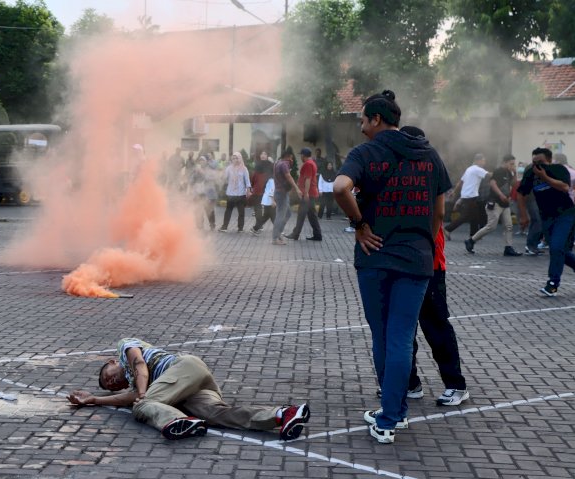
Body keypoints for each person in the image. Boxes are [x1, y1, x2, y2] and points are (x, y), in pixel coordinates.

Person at [333, 90, 451, 444]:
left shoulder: (365, 153)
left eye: (363, 120)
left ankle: (390, 417)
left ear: (377, 120)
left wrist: (360, 226)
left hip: (376, 256)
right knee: (401, 336)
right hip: (416, 258)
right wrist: (424, 244)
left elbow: (340, 187)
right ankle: (392, 413)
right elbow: (440, 212)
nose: (360, 127)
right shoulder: (429, 154)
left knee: (384, 335)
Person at [67, 338, 311, 441]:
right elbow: (129, 395)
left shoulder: (125, 347)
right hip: (192, 383)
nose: (111, 384)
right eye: (111, 386)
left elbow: (140, 366)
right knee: (218, 415)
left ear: (111, 363)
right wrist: (94, 400)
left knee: (142, 406)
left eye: (107, 378)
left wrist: (141, 395)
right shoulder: (134, 384)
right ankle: (283, 414)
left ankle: (179, 421)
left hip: (184, 367)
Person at [398, 125, 470, 407]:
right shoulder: (401, 171)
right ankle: (410, 383)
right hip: (404, 260)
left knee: (435, 324)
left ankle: (456, 384)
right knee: (404, 328)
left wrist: (425, 247)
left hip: (430, 262)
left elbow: (439, 212)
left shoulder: (429, 168)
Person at [516, 147, 575, 297]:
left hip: (565, 214)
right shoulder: (531, 173)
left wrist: (545, 177)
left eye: (541, 162)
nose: (538, 166)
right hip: (547, 217)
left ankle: (552, 284)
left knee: (556, 247)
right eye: (534, 162)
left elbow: (564, 187)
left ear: (549, 160)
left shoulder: (559, 169)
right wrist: (523, 215)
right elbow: (521, 194)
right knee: (561, 251)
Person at [464, 154, 523, 256]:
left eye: (514, 164)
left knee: (508, 226)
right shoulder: (499, 171)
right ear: (505, 163)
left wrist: (514, 173)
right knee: (491, 226)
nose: (512, 165)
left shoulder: (509, 172)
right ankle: (471, 240)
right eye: (511, 164)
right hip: (495, 202)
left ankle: (508, 247)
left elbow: (513, 184)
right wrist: (500, 195)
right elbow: (493, 183)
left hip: (505, 203)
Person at [444, 154, 489, 238]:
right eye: (483, 160)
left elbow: (460, 182)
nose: (484, 162)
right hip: (471, 196)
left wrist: (454, 192)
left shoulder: (469, 169)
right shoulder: (477, 169)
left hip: (466, 195)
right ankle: (448, 229)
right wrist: (498, 174)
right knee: (466, 216)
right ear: (478, 160)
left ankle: (474, 235)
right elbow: (488, 175)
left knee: (474, 216)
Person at [284, 148, 322, 241]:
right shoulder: (312, 162)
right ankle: (317, 235)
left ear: (304, 155)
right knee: (312, 215)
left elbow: (308, 179)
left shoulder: (308, 164)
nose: (300, 156)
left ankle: (295, 234)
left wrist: (305, 193)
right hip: (311, 193)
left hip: (308, 194)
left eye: (301, 154)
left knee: (301, 214)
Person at [271, 150, 302, 245]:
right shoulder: (284, 164)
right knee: (280, 215)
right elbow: (288, 177)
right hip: (281, 193)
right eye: (291, 158)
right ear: (288, 156)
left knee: (288, 213)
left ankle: (278, 232)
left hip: (281, 192)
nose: (292, 160)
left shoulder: (278, 162)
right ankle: (275, 238)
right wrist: (297, 189)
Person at [218, 152, 251, 232]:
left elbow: (247, 181)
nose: (235, 160)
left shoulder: (244, 169)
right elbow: (224, 178)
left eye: (237, 158)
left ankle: (240, 228)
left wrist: (248, 191)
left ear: (240, 159)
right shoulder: (229, 168)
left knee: (241, 212)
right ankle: (224, 227)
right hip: (231, 194)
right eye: (233, 158)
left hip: (241, 193)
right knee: (228, 211)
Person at [250, 162, 276, 234]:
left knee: (266, 216)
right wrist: (273, 201)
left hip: (266, 201)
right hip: (269, 201)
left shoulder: (269, 178)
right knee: (273, 216)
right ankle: (279, 230)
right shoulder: (271, 180)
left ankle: (255, 228)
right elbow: (271, 191)